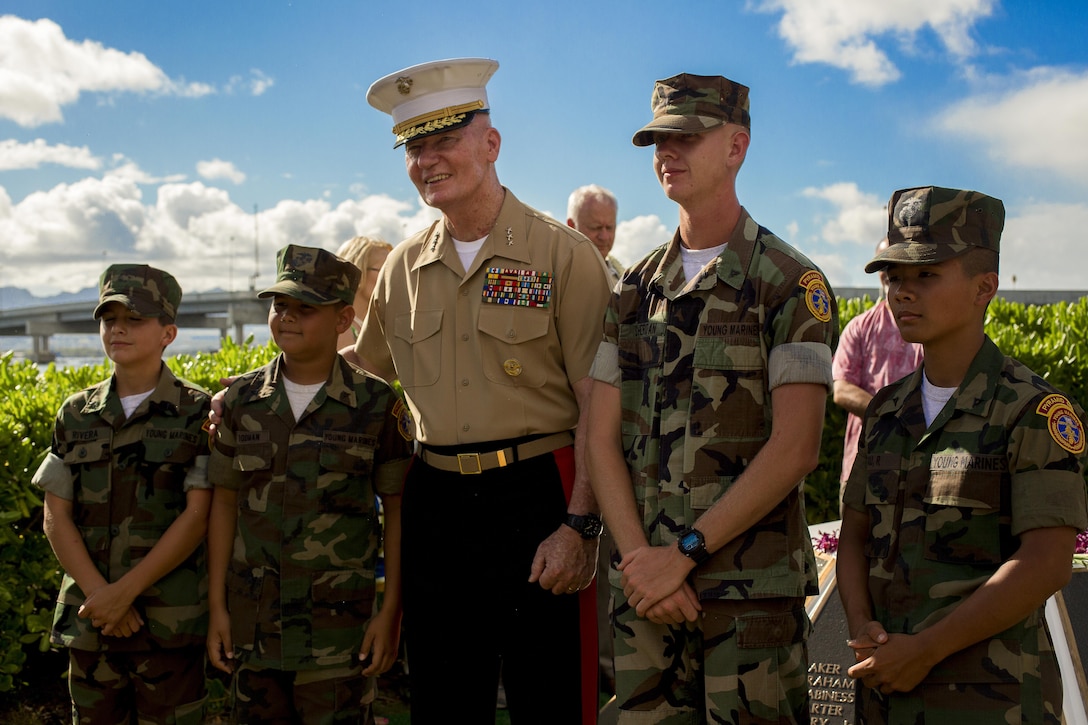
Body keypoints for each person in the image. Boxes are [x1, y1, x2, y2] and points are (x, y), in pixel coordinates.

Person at [353, 57, 611, 724]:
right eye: (414, 147)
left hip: (539, 496)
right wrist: (248, 388)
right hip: (436, 503)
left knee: (551, 698)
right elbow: (363, 371)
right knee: (443, 700)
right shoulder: (403, 269)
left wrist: (580, 525)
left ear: (490, 144)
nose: (426, 161)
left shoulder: (563, 255)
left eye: (442, 140)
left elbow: (598, 406)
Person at [585, 72, 838, 723]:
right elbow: (600, 436)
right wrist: (644, 560)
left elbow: (797, 446)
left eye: (686, 136)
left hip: (747, 600)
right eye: (657, 139)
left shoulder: (788, 283)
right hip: (646, 594)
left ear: (736, 146)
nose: (667, 152)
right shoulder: (632, 289)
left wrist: (684, 554)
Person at [837, 186, 1088, 723]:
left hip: (989, 701)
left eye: (926, 275)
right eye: (893, 277)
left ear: (985, 288)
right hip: (885, 695)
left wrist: (925, 649)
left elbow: (1046, 563)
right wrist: (861, 627)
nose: (902, 292)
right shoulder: (885, 412)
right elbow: (854, 536)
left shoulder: (1032, 412)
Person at [206, 244, 413, 724]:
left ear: (344, 319)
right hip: (252, 626)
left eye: (307, 308)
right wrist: (217, 606)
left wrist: (390, 613)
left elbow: (397, 510)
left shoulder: (376, 404)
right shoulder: (240, 401)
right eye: (281, 305)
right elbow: (223, 504)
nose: (288, 318)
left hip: (339, 631)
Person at [34, 264, 211, 724]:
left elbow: (198, 515)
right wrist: (102, 596)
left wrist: (124, 593)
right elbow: (56, 515)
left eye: (134, 320)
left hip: (168, 625)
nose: (117, 329)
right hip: (93, 624)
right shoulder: (75, 414)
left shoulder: (197, 412)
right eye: (109, 319)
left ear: (168, 332)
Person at [832, 237, 923, 506]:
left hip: (915, 469)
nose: (890, 275)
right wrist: (894, 415)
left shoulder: (927, 331)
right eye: (886, 269)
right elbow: (841, 390)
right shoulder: (860, 328)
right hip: (862, 466)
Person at [335, 235, 393, 349]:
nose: (391, 278)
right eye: (383, 271)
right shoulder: (339, 328)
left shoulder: (376, 325)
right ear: (357, 270)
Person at [567, 184, 624, 282]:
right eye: (595, 227)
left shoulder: (624, 277)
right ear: (571, 226)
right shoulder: (558, 271)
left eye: (610, 227)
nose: (604, 237)